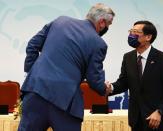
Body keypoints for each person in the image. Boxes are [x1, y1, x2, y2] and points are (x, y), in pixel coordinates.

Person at [18, 3, 115, 131]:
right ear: (102, 22)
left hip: (35, 92)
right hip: (65, 102)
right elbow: (94, 79)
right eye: (108, 25)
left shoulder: (60, 21)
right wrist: (104, 89)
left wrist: (33, 73)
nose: (107, 28)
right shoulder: (99, 44)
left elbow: (32, 46)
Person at [107, 20, 163, 131]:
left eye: (135, 32)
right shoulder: (128, 57)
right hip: (136, 121)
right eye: (130, 31)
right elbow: (123, 82)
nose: (131, 35)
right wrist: (110, 88)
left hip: (158, 122)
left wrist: (160, 111)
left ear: (148, 37)